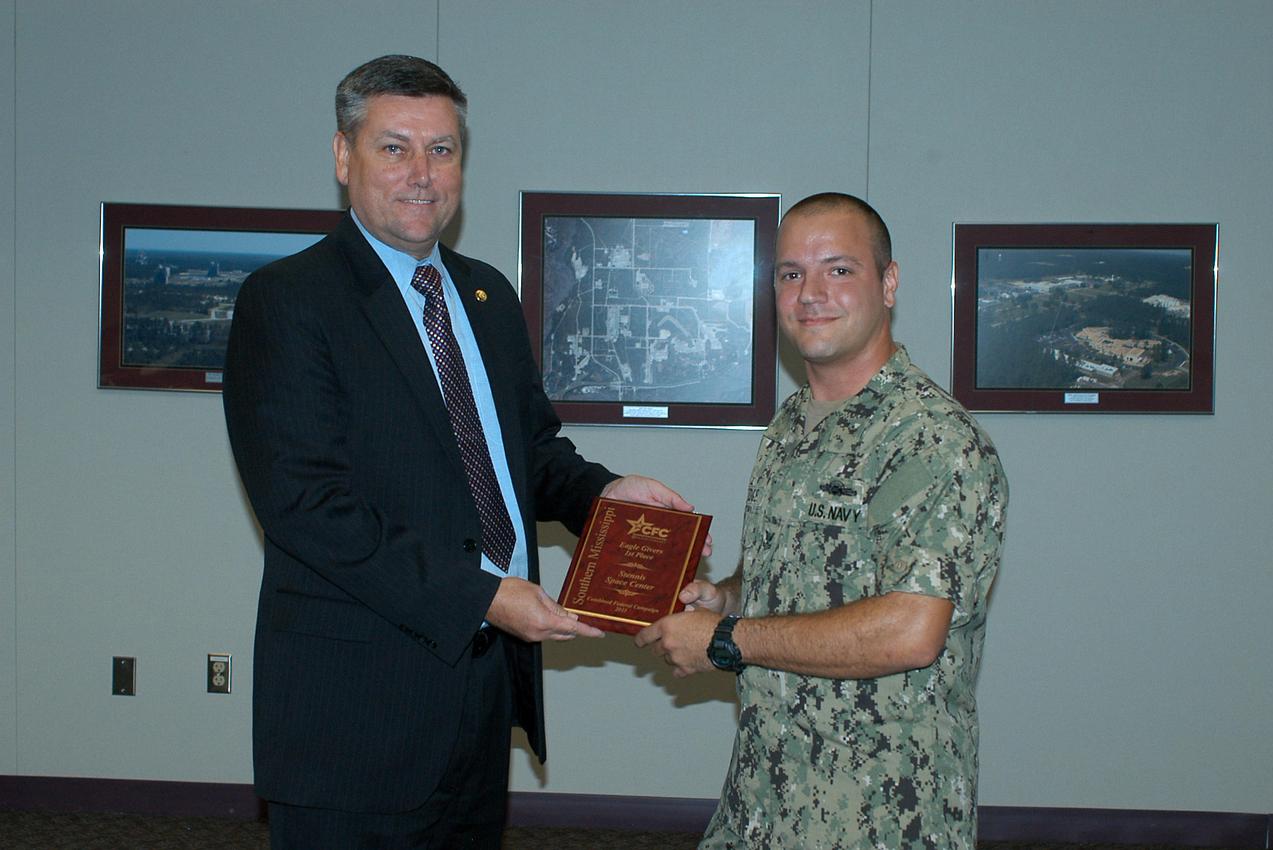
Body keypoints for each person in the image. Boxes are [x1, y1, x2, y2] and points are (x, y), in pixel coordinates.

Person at [223, 55, 699, 849]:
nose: (422, 173)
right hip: (356, 713)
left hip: (480, 693)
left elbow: (530, 451)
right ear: (344, 158)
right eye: (394, 147)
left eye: (442, 150)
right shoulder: (290, 301)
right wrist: (484, 594)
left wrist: (603, 497)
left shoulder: (485, 295)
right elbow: (307, 506)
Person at [636, 192, 1008, 849]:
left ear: (888, 283)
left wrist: (725, 637)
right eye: (790, 274)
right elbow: (798, 571)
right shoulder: (791, 424)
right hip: (768, 791)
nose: (812, 293)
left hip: (884, 809)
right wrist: (722, 596)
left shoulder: (933, 439)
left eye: (839, 270)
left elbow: (910, 631)